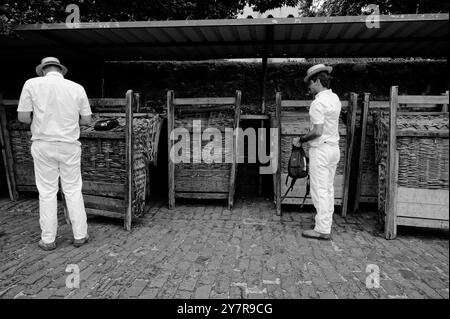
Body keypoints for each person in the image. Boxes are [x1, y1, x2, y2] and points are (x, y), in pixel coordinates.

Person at [17, 57, 92, 250]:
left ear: (43, 70)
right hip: (69, 145)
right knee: (73, 189)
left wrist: (40, 119)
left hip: (43, 144)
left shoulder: (31, 84)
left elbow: (23, 117)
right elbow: (86, 120)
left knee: (47, 192)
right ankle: (80, 235)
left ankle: (48, 239)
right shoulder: (77, 87)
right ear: (60, 70)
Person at [298, 64, 341, 240]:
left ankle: (322, 229)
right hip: (334, 149)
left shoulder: (318, 103)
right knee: (328, 189)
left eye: (310, 83)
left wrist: (301, 139)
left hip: (321, 150)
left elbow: (317, 131)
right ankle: (324, 223)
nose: (309, 87)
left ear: (317, 81)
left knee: (319, 190)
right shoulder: (335, 98)